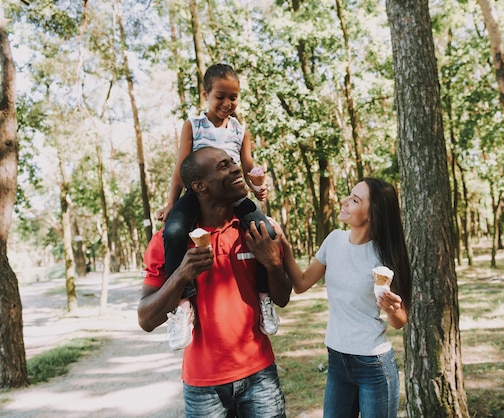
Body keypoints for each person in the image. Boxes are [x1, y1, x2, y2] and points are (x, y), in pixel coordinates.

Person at [138, 146, 291, 417]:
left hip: (260, 377)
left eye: (233, 162)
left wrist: (273, 263)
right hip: (203, 387)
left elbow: (282, 298)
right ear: (200, 186)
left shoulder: (256, 231)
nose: (235, 168)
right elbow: (147, 319)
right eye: (223, 166)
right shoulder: (167, 242)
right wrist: (181, 274)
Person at [156, 63, 279, 350]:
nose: (227, 103)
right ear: (206, 94)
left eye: (233, 97)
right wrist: (171, 204)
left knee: (266, 233)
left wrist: (258, 186)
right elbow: (180, 168)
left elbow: (248, 168)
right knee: (173, 233)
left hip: (233, 195)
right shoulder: (194, 124)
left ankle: (264, 297)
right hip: (197, 194)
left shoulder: (240, 128)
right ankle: (183, 305)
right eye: (220, 96)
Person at [278, 178, 412, 418]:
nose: (344, 201)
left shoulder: (384, 255)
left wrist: (392, 308)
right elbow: (301, 284)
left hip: (374, 364)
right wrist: (284, 246)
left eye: (355, 200)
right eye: (349, 196)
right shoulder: (334, 241)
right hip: (337, 360)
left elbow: (400, 321)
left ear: (373, 214)